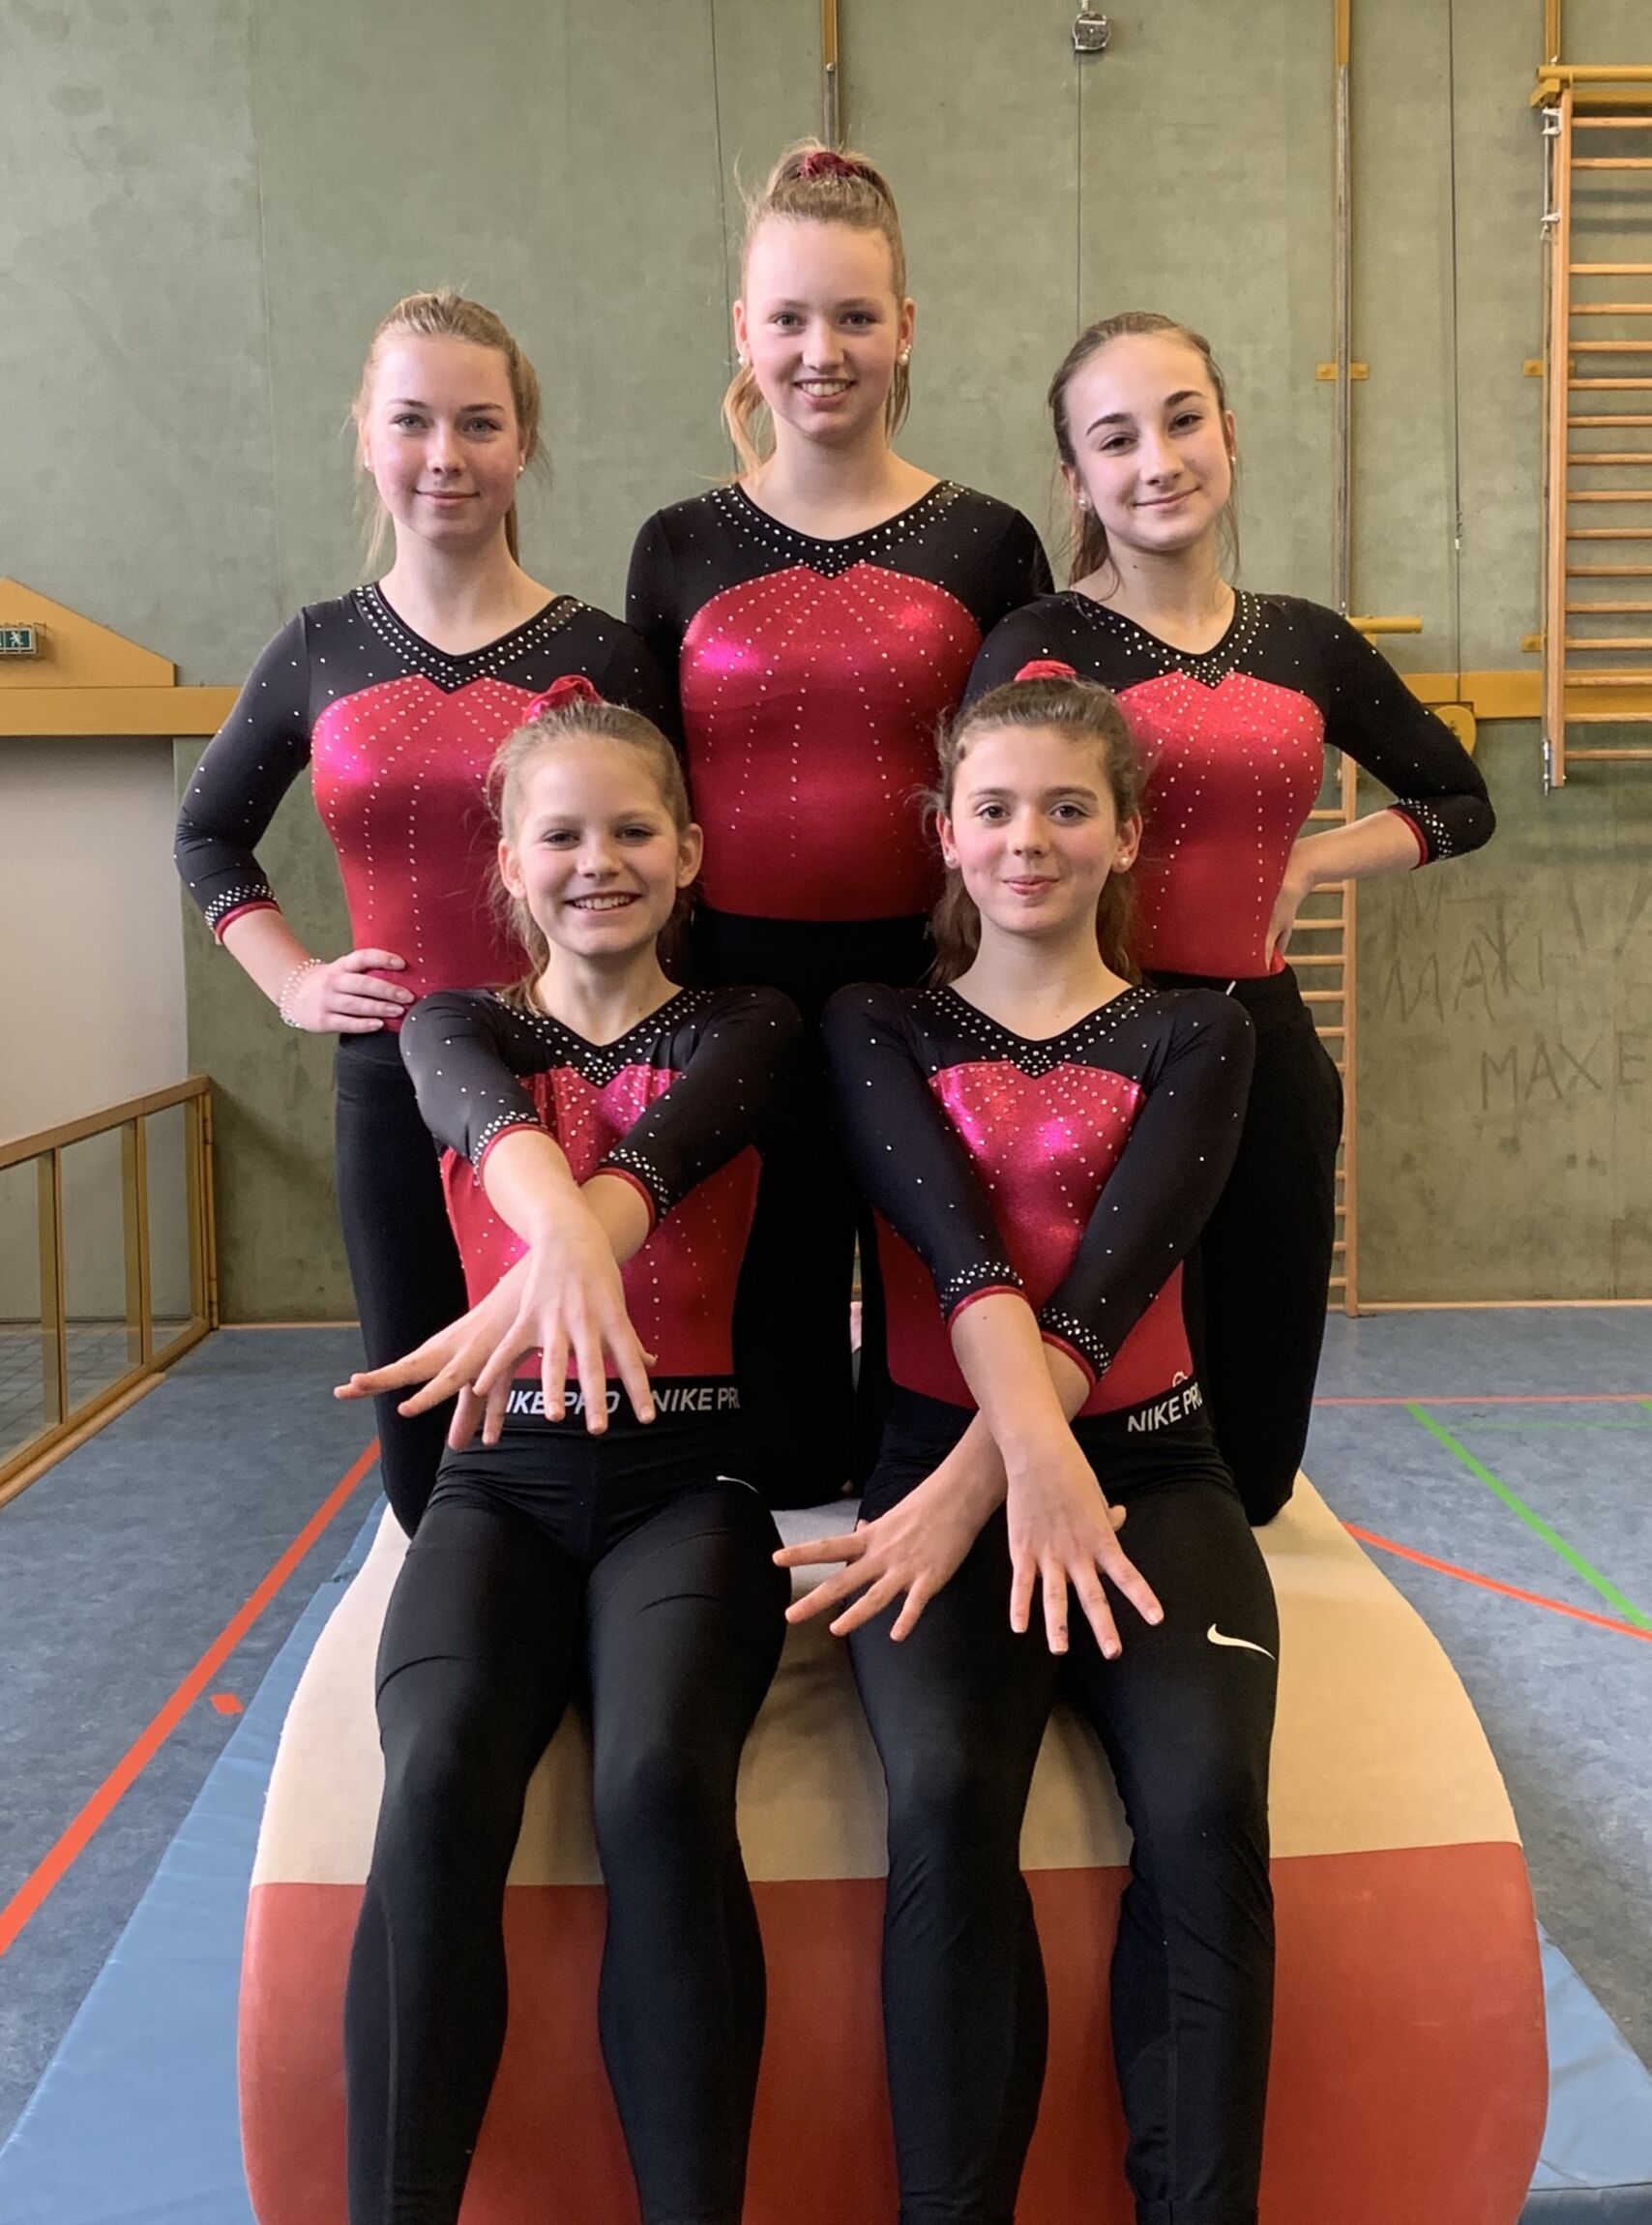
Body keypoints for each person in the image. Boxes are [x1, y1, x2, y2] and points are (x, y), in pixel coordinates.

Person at [783, 664, 1277, 2225]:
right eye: (993, 808)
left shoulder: (1199, 1034)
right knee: (943, 1801)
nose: (1028, 839)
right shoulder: (874, 1024)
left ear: (1126, 834)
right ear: (944, 830)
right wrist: (991, 1474)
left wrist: (975, 1490)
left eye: (1069, 808)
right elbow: (958, 1252)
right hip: (946, 1459)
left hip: (1149, 1472)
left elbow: (1116, 1277)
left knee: (1205, 1807)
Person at [334, 678, 797, 2225]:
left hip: (689, 1478)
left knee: (660, 1785)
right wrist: (558, 1258)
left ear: (690, 853)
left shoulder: (747, 1026)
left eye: (633, 832)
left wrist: (540, 1281)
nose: (597, 862)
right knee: (436, 1777)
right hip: (503, 1483)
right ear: (508, 866)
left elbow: (669, 1148)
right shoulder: (455, 1024)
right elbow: (495, 1131)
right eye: (561, 837)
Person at [968, 311, 1495, 1524]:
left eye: (1183, 420)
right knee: (1106, 1414)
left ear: (1229, 431)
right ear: (1076, 478)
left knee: (1252, 1460)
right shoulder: (1041, 642)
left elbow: (1458, 799)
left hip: (1262, 1047)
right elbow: (978, 845)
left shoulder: (1305, 639)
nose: (1158, 461)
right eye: (1116, 438)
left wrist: (1313, 860)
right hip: (1098, 1058)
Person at [175, 289, 670, 1531]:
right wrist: (294, 980)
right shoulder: (319, 646)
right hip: (394, 1078)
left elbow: (670, 860)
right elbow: (207, 832)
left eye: (479, 423)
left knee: (586, 1406)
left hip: (575, 1076)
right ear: (365, 435)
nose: (445, 455)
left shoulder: (606, 656)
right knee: (423, 1433)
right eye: (412, 421)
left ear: (522, 443)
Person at [627, 141, 1051, 1503]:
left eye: (856, 316)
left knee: (938, 1260)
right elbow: (644, 786)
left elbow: (1033, 771)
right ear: (742, 330)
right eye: (790, 318)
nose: (823, 352)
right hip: (732, 979)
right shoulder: (679, 544)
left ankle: (941, 1504)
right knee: (774, 1294)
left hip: (936, 975)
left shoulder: (985, 541)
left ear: (906, 327)